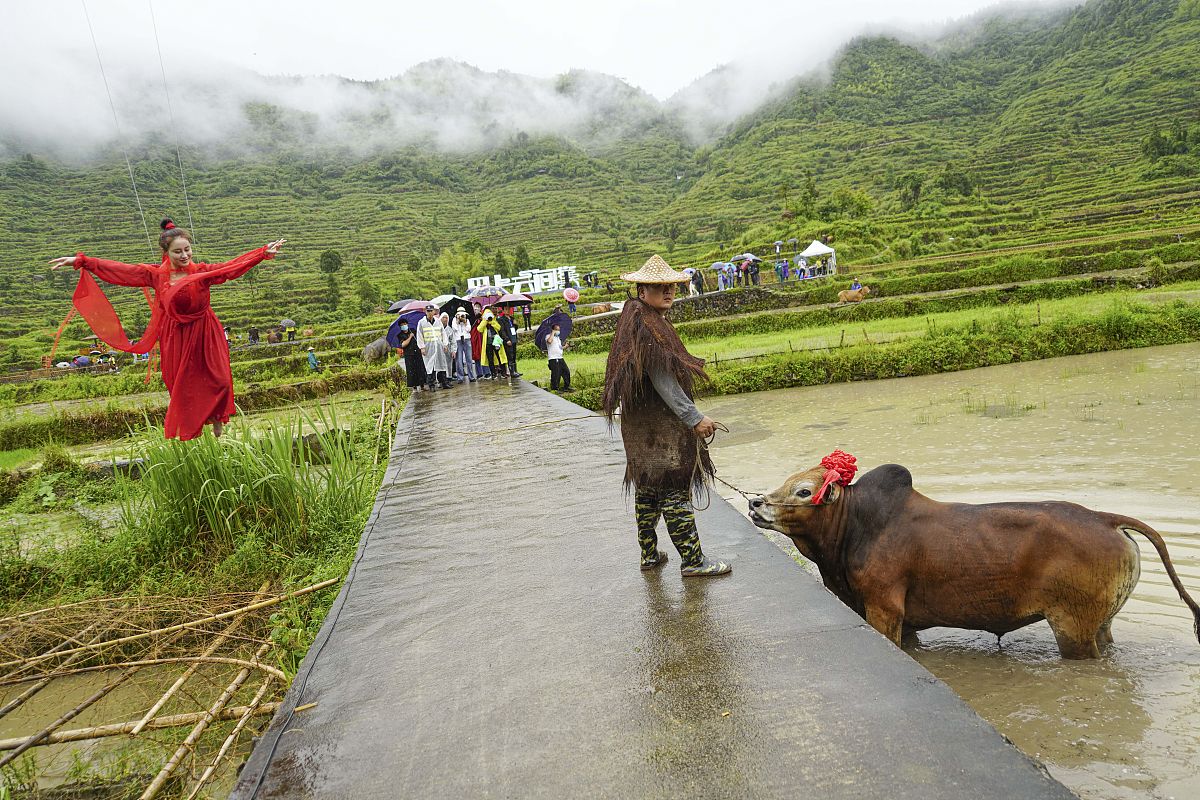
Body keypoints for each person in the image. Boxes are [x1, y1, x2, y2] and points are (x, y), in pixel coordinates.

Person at [50, 219, 284, 440]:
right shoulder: (154, 274)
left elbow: (230, 268)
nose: (184, 255)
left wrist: (261, 254)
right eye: (178, 251)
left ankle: (217, 416)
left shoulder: (201, 271)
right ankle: (194, 422)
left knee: (220, 378)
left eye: (187, 250)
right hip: (176, 333)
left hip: (204, 328)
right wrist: (81, 261)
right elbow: (120, 270)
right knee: (181, 382)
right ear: (167, 252)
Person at [601, 255, 731, 577]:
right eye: (660, 287)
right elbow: (665, 381)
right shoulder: (647, 327)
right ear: (643, 291)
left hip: (639, 431)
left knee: (646, 489)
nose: (669, 291)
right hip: (660, 433)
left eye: (671, 286)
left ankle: (649, 555)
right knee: (673, 490)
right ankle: (693, 561)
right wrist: (695, 419)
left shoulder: (637, 318)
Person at [417, 304, 452, 389]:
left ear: (434, 312)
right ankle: (431, 385)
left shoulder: (438, 321)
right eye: (428, 311)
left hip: (439, 346)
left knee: (442, 365)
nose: (429, 313)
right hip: (429, 348)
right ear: (425, 312)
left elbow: (443, 333)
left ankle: (444, 383)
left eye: (431, 311)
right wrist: (422, 347)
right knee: (430, 367)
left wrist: (445, 344)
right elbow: (419, 335)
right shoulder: (421, 322)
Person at [395, 317, 426, 390]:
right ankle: (414, 387)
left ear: (407, 324)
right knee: (411, 370)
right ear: (400, 327)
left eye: (405, 324)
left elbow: (419, 338)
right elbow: (403, 344)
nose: (404, 325)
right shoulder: (400, 335)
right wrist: (410, 337)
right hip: (409, 354)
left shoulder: (413, 331)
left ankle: (422, 385)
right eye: (402, 325)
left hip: (417, 353)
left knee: (420, 369)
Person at [477, 309, 509, 378]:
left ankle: (503, 372)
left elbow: (499, 327)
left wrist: (491, 322)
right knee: (490, 359)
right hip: (488, 343)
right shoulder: (483, 322)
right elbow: (479, 329)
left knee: (500, 357)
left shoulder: (494, 321)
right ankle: (493, 374)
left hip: (496, 342)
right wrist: (485, 321)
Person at [450, 309, 476, 383]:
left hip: (466, 339)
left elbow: (469, 329)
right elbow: (454, 329)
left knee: (469, 359)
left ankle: (471, 376)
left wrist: (464, 322)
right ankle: (460, 377)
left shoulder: (467, 320)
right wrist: (458, 322)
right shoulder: (454, 320)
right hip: (458, 340)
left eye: (463, 315)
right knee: (459, 359)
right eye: (460, 315)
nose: (461, 316)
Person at [545, 321, 571, 392]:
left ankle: (567, 386)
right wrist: (552, 333)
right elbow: (549, 341)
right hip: (553, 358)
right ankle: (555, 388)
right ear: (553, 330)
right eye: (557, 329)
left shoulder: (558, 338)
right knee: (556, 374)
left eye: (559, 330)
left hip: (560, 357)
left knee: (566, 371)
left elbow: (560, 347)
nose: (558, 331)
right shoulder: (548, 336)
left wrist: (565, 346)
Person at [499, 308, 521, 377]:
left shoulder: (511, 318)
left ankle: (515, 370)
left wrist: (515, 324)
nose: (507, 310)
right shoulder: (501, 319)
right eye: (505, 309)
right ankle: (512, 372)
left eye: (508, 309)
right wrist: (507, 339)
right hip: (508, 340)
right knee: (510, 356)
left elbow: (515, 328)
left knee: (514, 355)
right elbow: (502, 331)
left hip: (513, 338)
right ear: (503, 311)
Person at [470, 302, 489, 379]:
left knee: (484, 354)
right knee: (476, 355)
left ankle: (487, 372)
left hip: (482, 337)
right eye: (475, 307)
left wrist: (481, 318)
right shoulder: (471, 318)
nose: (476, 308)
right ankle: (479, 373)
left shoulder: (484, 316)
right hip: (474, 338)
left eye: (478, 307)